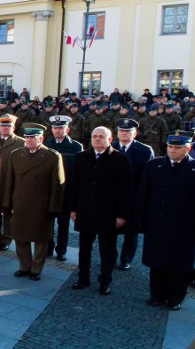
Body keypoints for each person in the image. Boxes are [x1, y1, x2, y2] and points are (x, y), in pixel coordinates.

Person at [70, 127, 133, 295]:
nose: (97, 139)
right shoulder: (81, 157)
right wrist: (73, 209)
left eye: (101, 137)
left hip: (108, 214)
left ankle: (105, 281)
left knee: (107, 250)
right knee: (84, 249)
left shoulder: (121, 159)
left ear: (110, 139)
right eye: (94, 137)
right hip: (85, 212)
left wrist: (121, 214)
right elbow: (74, 185)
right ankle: (83, 278)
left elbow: (125, 191)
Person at [136, 132, 195, 311]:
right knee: (157, 260)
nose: (172, 151)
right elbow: (143, 194)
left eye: (177, 148)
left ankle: (175, 297)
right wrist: (140, 218)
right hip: (158, 221)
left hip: (184, 225)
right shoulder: (154, 165)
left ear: (188, 149)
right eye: (170, 147)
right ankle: (157, 294)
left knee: (180, 264)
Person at [2, 123, 65, 280]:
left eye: (33, 137)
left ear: (41, 138)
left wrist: (54, 208)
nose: (29, 140)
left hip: (41, 205)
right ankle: (24, 266)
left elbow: (58, 185)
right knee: (20, 236)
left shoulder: (52, 156)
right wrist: (7, 203)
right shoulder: (16, 154)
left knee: (40, 238)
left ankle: (36, 269)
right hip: (20, 203)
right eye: (27, 137)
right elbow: (10, 181)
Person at [110, 118, 154, 270]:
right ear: (117, 133)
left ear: (134, 134)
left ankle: (126, 258)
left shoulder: (144, 151)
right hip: (113, 198)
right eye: (121, 131)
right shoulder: (110, 147)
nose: (124, 133)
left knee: (131, 231)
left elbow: (147, 179)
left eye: (128, 131)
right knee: (110, 230)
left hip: (133, 197)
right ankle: (111, 256)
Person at [0, 114, 25, 251]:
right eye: (3, 126)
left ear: (13, 127)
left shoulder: (20, 142)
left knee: (7, 211)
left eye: (8, 126)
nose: (5, 128)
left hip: (9, 181)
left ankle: (6, 239)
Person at [44, 116, 83, 260]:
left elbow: (78, 172)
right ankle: (48, 248)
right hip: (49, 191)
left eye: (60, 128)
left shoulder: (76, 146)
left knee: (63, 224)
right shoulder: (46, 144)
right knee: (48, 222)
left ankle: (61, 250)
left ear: (67, 129)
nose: (57, 131)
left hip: (66, 191)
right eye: (55, 128)